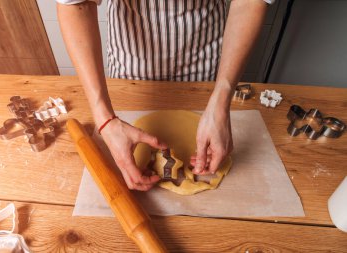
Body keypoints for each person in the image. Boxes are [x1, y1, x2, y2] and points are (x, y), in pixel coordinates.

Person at [57, 0, 273, 191]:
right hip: (131, 65)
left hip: (204, 59)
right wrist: (104, 119)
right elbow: (75, 3)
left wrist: (222, 97)